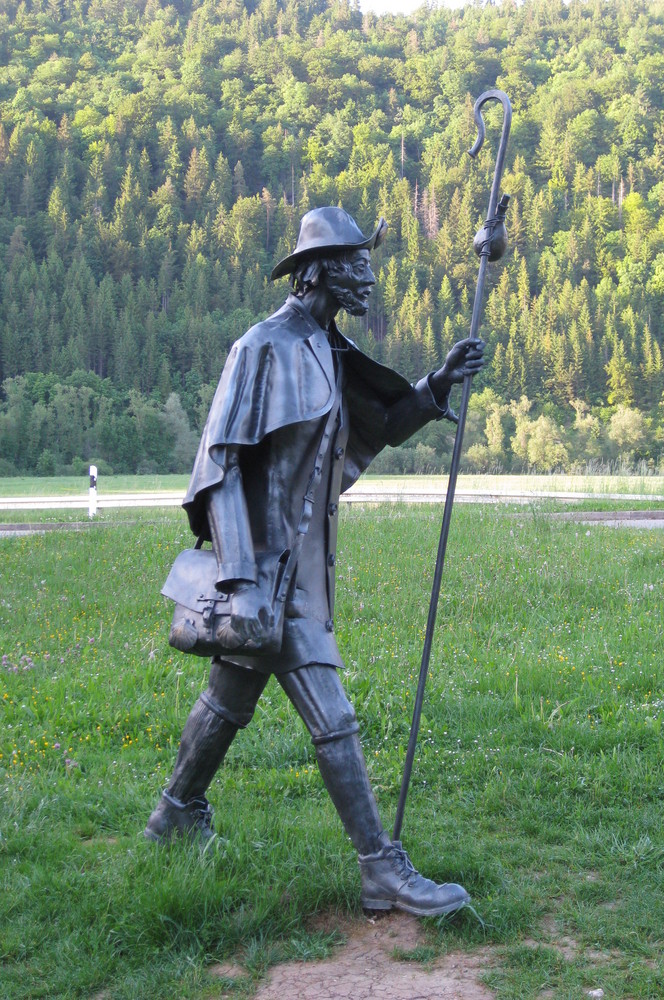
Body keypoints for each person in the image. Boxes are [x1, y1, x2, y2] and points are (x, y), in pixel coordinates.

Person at [145, 207, 485, 917]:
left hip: (301, 568)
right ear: (322, 267)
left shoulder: (328, 348)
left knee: (228, 698)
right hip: (266, 570)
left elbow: (382, 425)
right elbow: (220, 467)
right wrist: (241, 581)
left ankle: (175, 812)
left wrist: (435, 385)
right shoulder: (264, 346)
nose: (368, 276)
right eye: (358, 263)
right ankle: (381, 868)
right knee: (333, 717)